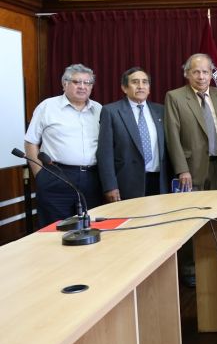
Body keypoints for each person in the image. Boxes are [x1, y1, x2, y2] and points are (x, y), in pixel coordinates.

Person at [164, 53, 217, 287]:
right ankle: (190, 269)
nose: (202, 76)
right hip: (190, 171)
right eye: (196, 72)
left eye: (206, 72)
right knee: (190, 220)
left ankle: (214, 264)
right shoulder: (175, 97)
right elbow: (172, 136)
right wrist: (182, 169)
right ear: (187, 74)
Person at [24, 64, 103, 227]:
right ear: (64, 84)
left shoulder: (99, 109)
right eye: (77, 82)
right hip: (56, 176)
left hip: (93, 179)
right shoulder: (47, 107)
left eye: (87, 83)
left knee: (91, 228)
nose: (82, 87)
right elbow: (31, 142)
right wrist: (40, 175)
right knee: (55, 230)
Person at [97, 67, 169, 202]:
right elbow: (104, 153)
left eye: (145, 82)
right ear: (124, 88)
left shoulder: (161, 110)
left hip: (159, 181)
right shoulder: (111, 111)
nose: (141, 86)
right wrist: (110, 186)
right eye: (135, 82)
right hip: (127, 183)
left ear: (149, 88)